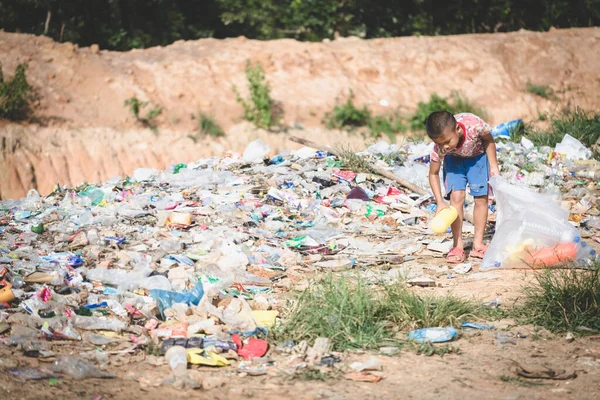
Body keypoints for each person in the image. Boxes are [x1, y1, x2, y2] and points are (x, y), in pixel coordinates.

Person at [426, 111, 500, 263]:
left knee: (481, 197)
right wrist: (440, 201)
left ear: (458, 129)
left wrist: (493, 166)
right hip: (454, 161)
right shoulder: (440, 148)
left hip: (477, 158)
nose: (444, 147)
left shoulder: (474, 126)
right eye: (440, 143)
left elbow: (489, 140)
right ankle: (457, 245)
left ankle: (477, 244)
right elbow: (433, 173)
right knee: (456, 197)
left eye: (447, 141)